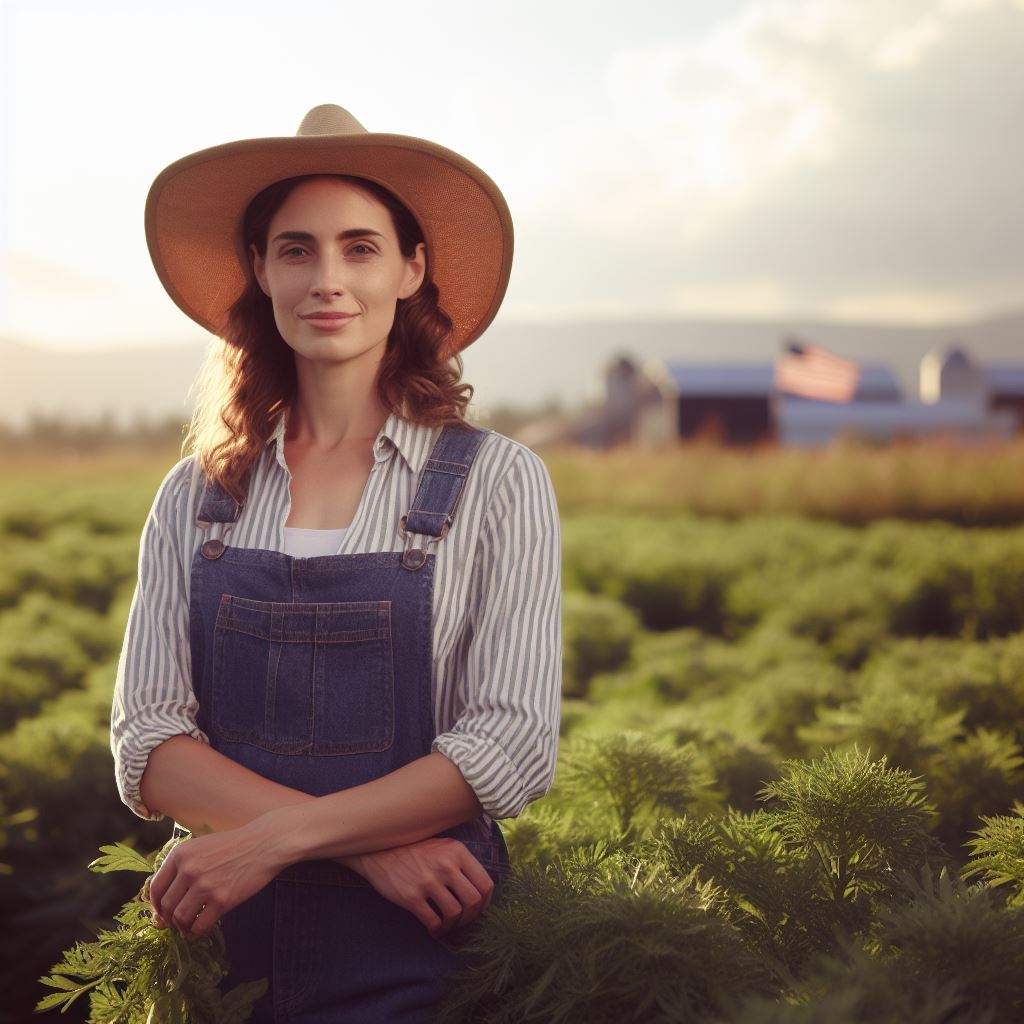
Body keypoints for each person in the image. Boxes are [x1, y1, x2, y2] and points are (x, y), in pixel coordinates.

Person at [110, 103, 562, 1022]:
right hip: (221, 950)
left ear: (411, 269)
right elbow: (148, 746)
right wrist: (363, 848)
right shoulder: (195, 493)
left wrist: (266, 839)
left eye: (360, 248)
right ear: (262, 271)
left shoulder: (499, 482)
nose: (328, 280)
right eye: (296, 250)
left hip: (426, 950)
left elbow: (507, 748)